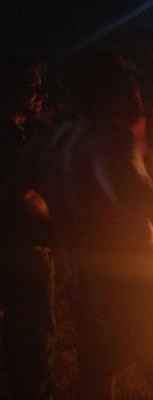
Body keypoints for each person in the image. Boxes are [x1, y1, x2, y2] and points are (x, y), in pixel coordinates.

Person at [42, 52, 153, 399]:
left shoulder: (62, 138)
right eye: (131, 87)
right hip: (134, 276)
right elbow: (133, 196)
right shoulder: (111, 138)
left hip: (86, 275)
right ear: (113, 93)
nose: (139, 95)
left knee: (98, 371)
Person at [0, 59, 57, 400]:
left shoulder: (25, 132)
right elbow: (25, 196)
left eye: (40, 87)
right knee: (33, 330)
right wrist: (61, 220)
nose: (39, 95)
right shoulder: (9, 138)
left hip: (18, 243)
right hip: (22, 246)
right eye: (32, 87)